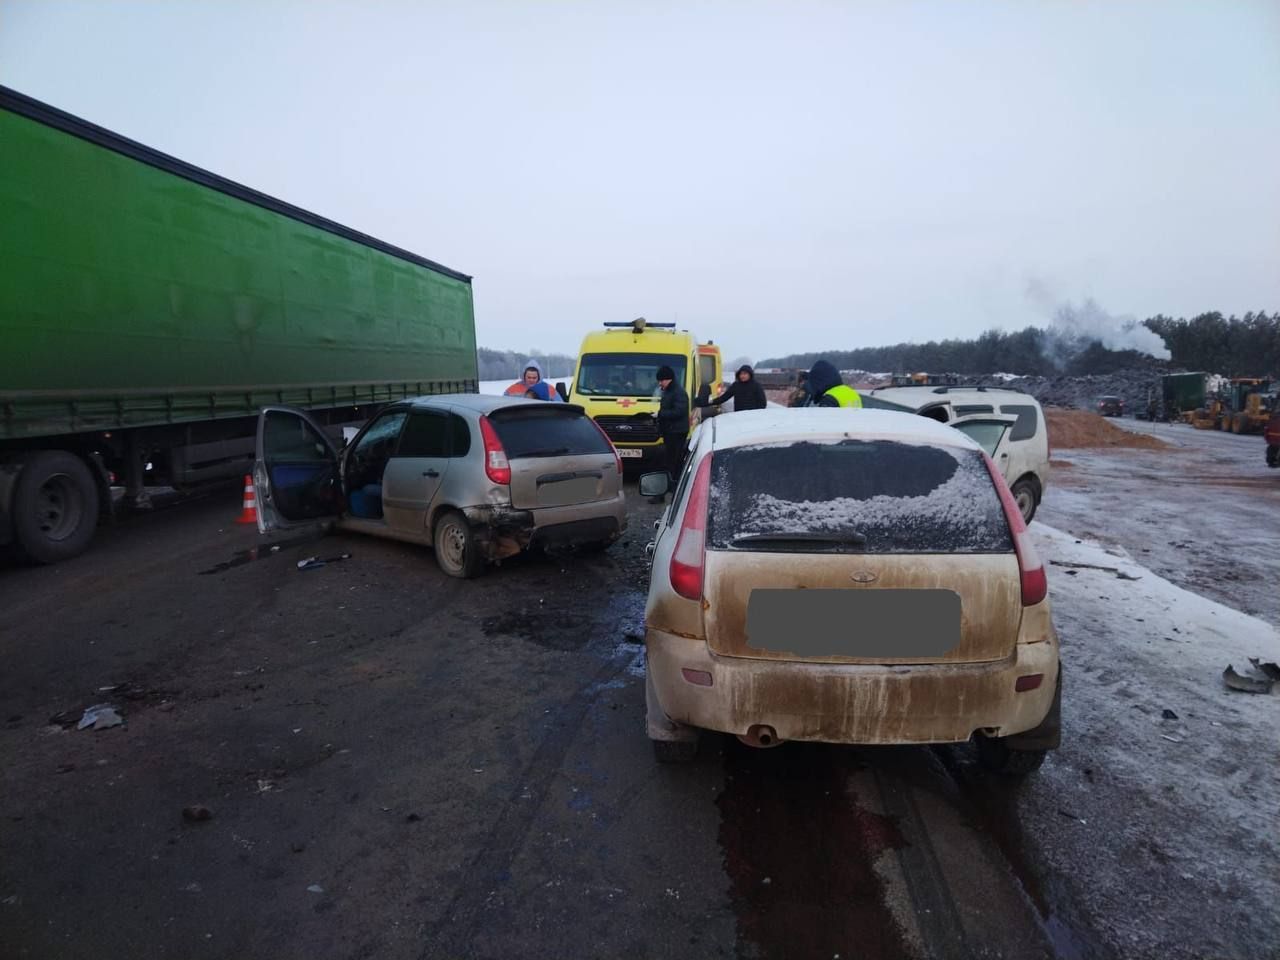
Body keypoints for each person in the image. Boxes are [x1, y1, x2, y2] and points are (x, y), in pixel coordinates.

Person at [651, 365, 689, 503]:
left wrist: (660, 414)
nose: (660, 383)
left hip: (676, 433)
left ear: (669, 379)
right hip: (670, 432)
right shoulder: (668, 391)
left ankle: (673, 495)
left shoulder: (678, 392)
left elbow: (679, 412)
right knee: (667, 463)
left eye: (662, 380)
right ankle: (666, 493)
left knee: (672, 465)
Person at [697, 364, 768, 412]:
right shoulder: (736, 385)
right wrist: (708, 402)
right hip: (738, 415)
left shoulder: (756, 386)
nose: (742, 376)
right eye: (741, 374)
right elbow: (724, 397)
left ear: (750, 374)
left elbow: (762, 404)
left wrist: (756, 415)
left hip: (752, 416)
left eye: (745, 374)